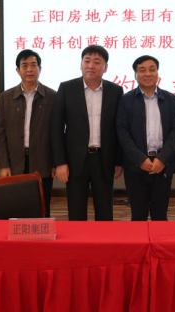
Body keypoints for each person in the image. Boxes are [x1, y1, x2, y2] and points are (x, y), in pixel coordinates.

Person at [51, 45, 124, 220]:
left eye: (97, 62)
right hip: (75, 161)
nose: (91, 65)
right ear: (81, 64)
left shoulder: (115, 91)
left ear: (105, 67)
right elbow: (56, 127)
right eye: (87, 61)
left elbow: (120, 128)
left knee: (105, 213)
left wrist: (118, 160)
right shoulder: (67, 88)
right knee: (76, 212)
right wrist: (60, 162)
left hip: (104, 159)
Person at [117, 55, 175, 221]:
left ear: (157, 73)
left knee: (160, 214)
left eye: (152, 69)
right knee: (138, 215)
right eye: (142, 70)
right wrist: (140, 159)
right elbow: (122, 132)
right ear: (135, 75)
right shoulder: (126, 100)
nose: (147, 74)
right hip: (136, 166)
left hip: (163, 165)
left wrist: (162, 158)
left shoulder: (171, 99)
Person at [0, 49, 57, 216]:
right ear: (18, 70)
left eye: (33, 65)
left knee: (42, 208)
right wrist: (4, 165)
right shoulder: (6, 97)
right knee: (17, 207)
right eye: (24, 65)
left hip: (43, 161)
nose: (29, 69)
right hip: (15, 162)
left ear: (40, 68)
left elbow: (57, 133)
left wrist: (55, 163)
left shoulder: (52, 96)